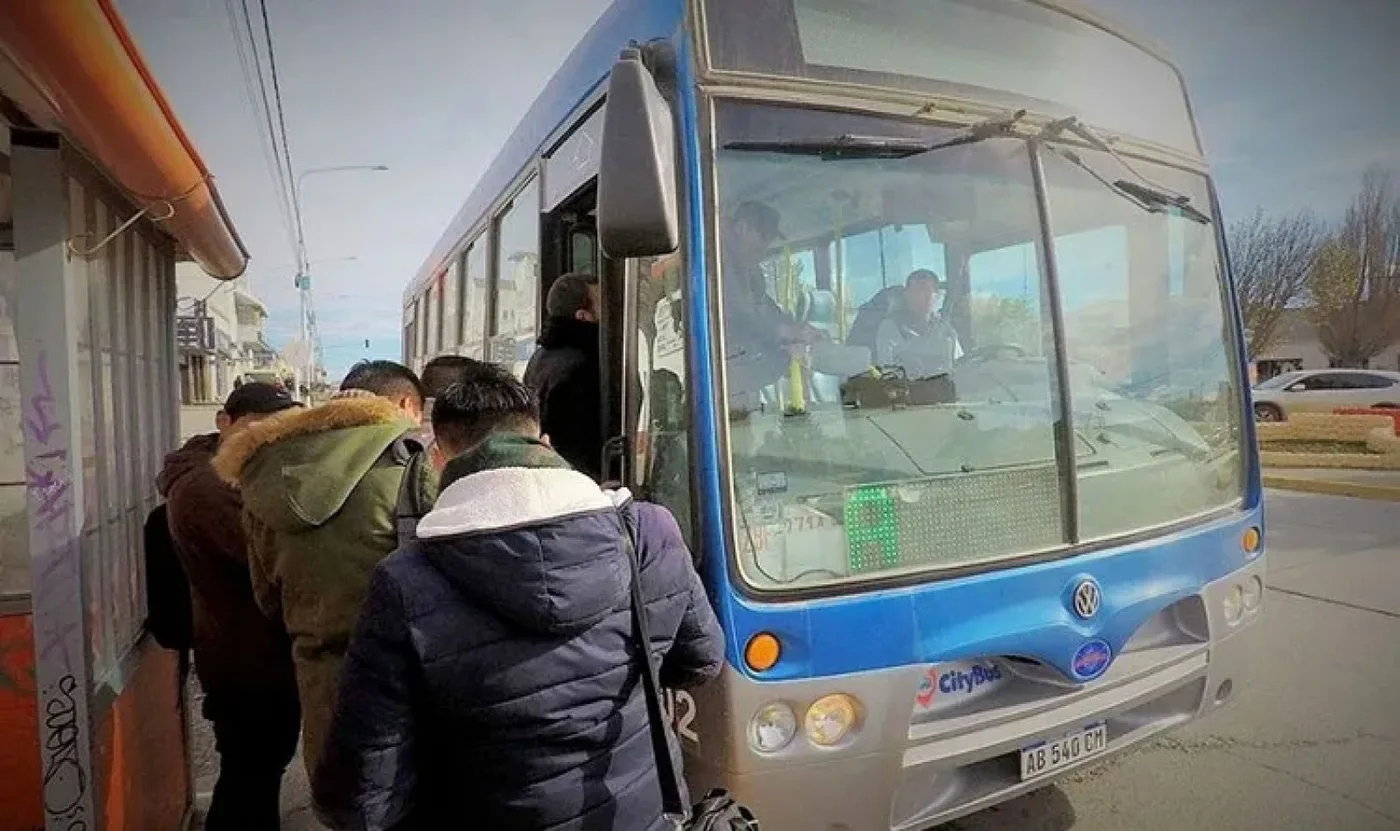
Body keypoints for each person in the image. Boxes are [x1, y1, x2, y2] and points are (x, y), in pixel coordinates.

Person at [313, 367, 725, 831]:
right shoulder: (649, 531)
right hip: (634, 814)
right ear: (545, 444)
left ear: (438, 459)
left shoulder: (406, 581)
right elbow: (702, 661)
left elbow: (359, 797)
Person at [212, 360, 437, 784]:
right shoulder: (413, 465)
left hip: (318, 673)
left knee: (342, 795)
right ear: (407, 404)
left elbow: (267, 597)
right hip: (405, 674)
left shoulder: (264, 472)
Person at [158, 383, 303, 831]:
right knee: (249, 777)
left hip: (249, 652)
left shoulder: (228, 472)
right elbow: (270, 557)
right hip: (247, 659)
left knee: (256, 772)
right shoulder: (208, 485)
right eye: (258, 427)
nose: (267, 438)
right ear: (225, 421)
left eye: (281, 429)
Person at [720, 201, 825, 411]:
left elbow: (765, 310)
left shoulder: (750, 272)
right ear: (742, 228)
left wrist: (798, 330)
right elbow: (734, 315)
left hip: (742, 384)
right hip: (718, 379)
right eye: (763, 239)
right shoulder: (712, 258)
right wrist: (783, 334)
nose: (764, 249)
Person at [523, 272, 605, 480]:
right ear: (583, 316)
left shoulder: (540, 358)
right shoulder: (587, 363)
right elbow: (578, 446)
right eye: (602, 303)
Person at [850, 269, 963, 377]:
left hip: (945, 393)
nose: (928, 295)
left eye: (933, 290)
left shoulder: (946, 331)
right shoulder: (890, 328)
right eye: (922, 289)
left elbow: (960, 366)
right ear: (907, 294)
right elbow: (886, 372)